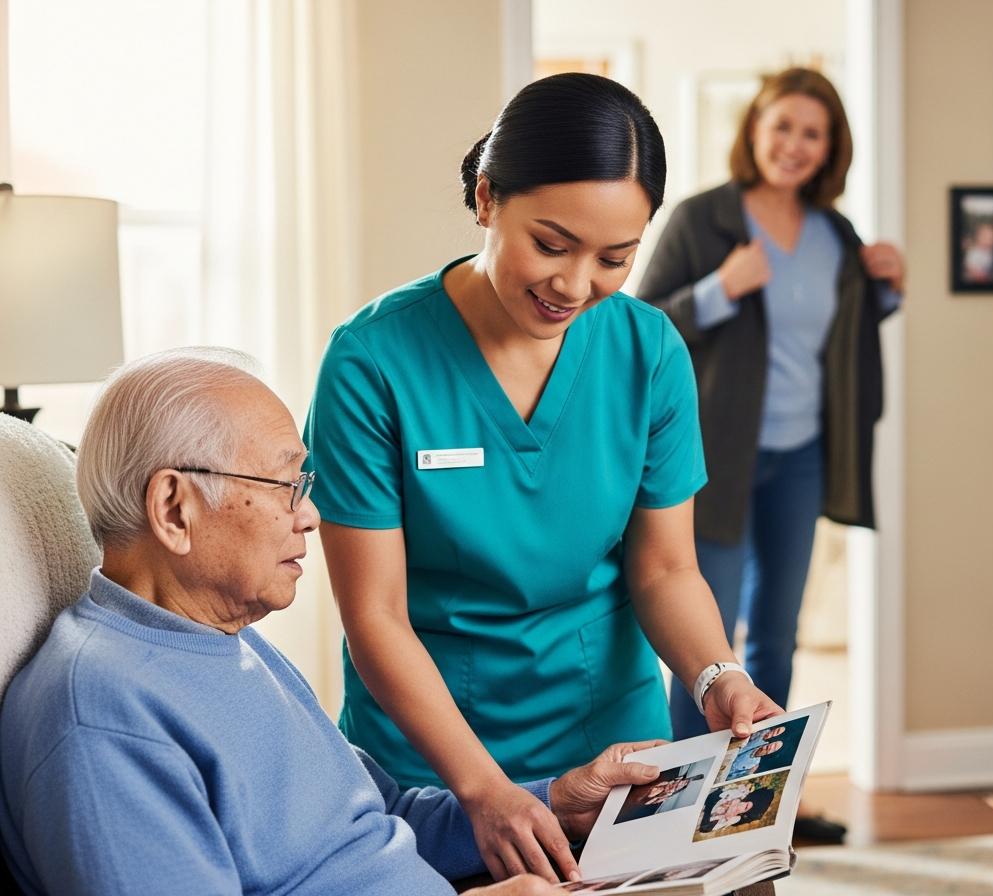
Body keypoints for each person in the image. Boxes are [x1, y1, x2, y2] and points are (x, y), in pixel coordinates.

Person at [304, 72, 781, 882]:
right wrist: (484, 790)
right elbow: (375, 615)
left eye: (614, 258)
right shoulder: (372, 362)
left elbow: (666, 568)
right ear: (487, 198)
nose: (574, 285)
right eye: (551, 244)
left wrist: (716, 675)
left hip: (614, 751)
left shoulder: (649, 353)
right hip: (439, 762)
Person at [0, 348, 661, 896]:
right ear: (174, 509)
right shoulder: (102, 715)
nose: (310, 517)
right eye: (287, 486)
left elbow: (380, 819)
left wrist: (557, 801)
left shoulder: (230, 641)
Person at [636, 67, 903, 844]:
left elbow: (845, 336)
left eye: (811, 133)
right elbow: (642, 324)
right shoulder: (702, 219)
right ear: (755, 129)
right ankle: (682, 810)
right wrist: (719, 288)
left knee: (777, 638)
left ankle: (761, 805)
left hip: (802, 457)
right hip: (713, 464)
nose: (793, 144)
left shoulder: (835, 234)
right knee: (706, 648)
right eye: (781, 126)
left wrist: (887, 290)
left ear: (830, 150)